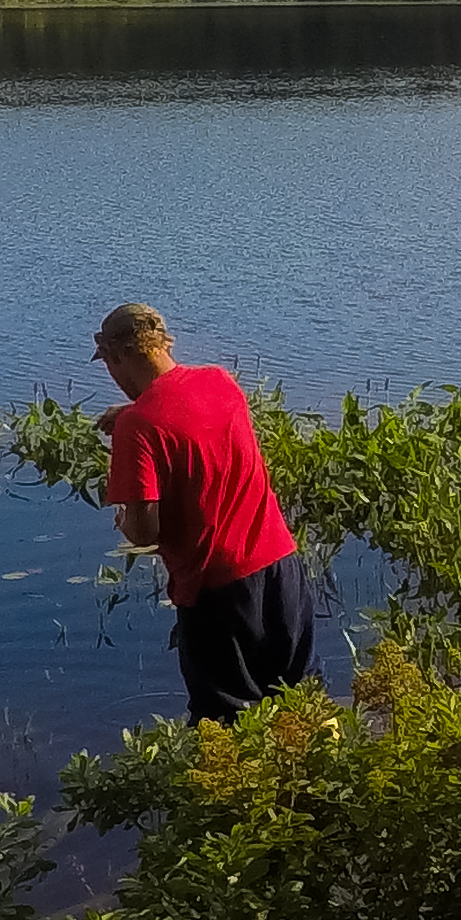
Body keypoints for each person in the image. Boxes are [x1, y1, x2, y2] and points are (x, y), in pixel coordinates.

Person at [93, 303, 315, 723]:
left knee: (224, 717)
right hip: (281, 567)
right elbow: (186, 409)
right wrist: (128, 412)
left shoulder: (137, 427)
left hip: (218, 591)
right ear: (163, 344)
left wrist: (124, 521)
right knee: (301, 697)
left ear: (118, 358)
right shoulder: (220, 381)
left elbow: (144, 531)